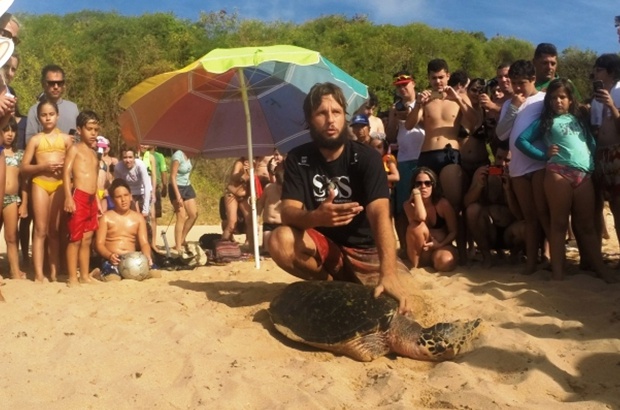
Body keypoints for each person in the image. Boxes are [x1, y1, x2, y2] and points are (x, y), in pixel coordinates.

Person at [268, 82, 410, 312]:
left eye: (336, 112)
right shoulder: (297, 158)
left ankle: (371, 278)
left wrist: (389, 272)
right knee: (278, 240)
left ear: (345, 116)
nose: (330, 120)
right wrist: (316, 217)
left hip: (367, 250)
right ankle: (333, 287)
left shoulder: (368, 158)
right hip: (327, 248)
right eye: (321, 113)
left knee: (400, 301)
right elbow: (287, 212)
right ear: (309, 119)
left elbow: (381, 215)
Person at [515, 78, 615, 282]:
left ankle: (601, 270)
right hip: (558, 173)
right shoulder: (546, 122)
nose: (558, 101)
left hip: (584, 175)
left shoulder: (579, 120)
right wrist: (543, 155)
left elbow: (591, 143)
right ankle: (558, 274)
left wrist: (593, 165)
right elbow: (521, 140)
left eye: (562, 97)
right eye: (553, 98)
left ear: (570, 100)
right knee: (559, 224)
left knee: (586, 226)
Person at [405, 59, 479, 212]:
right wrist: (419, 104)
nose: (437, 81)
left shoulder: (460, 97)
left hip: (449, 154)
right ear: (428, 78)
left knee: (454, 203)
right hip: (426, 154)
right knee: (424, 204)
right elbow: (409, 125)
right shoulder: (425, 99)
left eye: (441, 77)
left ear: (448, 76)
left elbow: (475, 121)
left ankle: (459, 236)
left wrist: (457, 99)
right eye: (433, 78)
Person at [496, 60, 548, 274]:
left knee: (545, 214)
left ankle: (548, 256)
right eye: (514, 82)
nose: (517, 87)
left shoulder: (544, 100)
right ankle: (531, 262)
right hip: (518, 167)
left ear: (533, 80)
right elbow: (501, 134)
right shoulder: (509, 104)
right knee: (529, 217)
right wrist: (514, 107)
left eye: (522, 82)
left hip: (539, 164)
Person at [21, 98, 73, 282]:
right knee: (40, 230)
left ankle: (54, 270)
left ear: (57, 116)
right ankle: (38, 274)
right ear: (38, 118)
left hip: (59, 185)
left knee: (55, 230)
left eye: (51, 114)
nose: (48, 118)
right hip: (40, 184)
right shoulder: (35, 140)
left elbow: (74, 164)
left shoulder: (67, 139)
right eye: (43, 115)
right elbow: (24, 167)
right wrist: (43, 167)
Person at [464, 141, 524, 267]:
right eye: (499, 158)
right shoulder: (483, 173)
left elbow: (520, 215)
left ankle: (515, 254)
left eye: (507, 160)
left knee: (526, 226)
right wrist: (479, 186)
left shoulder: (519, 177)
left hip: (510, 232)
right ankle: (487, 256)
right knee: (472, 210)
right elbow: (466, 203)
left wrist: (508, 191)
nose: (502, 163)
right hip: (489, 230)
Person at [386, 70, 425, 255]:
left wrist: (413, 114)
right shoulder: (396, 106)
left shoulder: (424, 102)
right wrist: (394, 116)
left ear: (413, 83)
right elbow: (390, 136)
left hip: (422, 157)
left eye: (405, 85)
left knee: (423, 204)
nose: (402, 89)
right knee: (402, 206)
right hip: (403, 159)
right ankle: (403, 246)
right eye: (399, 86)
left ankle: (422, 247)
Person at [63, 111, 102, 286]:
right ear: (79, 130)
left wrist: (98, 201)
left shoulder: (94, 154)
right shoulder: (75, 149)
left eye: (96, 129)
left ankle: (85, 275)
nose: (93, 133)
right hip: (78, 197)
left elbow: (94, 178)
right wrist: (68, 198)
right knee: (75, 239)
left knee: (87, 239)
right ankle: (72, 277)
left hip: (92, 199)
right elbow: (65, 173)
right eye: (89, 129)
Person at [95, 178, 156, 282]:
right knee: (113, 278)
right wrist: (109, 255)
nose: (123, 200)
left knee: (156, 274)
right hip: (113, 259)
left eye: (126, 195)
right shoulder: (106, 218)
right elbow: (99, 244)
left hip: (133, 260)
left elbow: (144, 243)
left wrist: (147, 257)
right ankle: (97, 273)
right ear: (113, 199)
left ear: (131, 196)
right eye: (118, 197)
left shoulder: (138, 218)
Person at [591, 53, 620, 252]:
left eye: (599, 69)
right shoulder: (595, 100)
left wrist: (612, 105)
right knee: (610, 208)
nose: (595, 73)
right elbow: (595, 129)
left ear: (610, 72)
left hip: (618, 153)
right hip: (601, 156)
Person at [404, 167, 458, 272]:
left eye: (427, 183)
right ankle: (415, 268)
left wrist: (440, 244)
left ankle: (434, 262)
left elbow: (453, 231)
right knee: (416, 226)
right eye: (418, 184)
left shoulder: (443, 204)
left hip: (441, 246)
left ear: (433, 185)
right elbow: (421, 217)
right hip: (421, 251)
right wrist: (416, 195)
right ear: (414, 186)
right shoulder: (408, 205)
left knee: (444, 262)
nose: (423, 187)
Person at [25, 64, 79, 143]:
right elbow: (29, 141)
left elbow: (81, 138)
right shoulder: (34, 110)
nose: (56, 87)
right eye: (51, 83)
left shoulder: (73, 108)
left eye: (59, 83)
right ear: (43, 84)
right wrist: (60, 140)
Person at [0, 117, 25, 279]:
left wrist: (24, 202)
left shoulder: (20, 154)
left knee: (11, 236)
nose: (10, 134)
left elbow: (24, 182)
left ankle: (14, 270)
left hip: (11, 199)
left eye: (13, 130)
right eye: (6, 130)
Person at [168, 149, 198, 256]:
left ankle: (182, 239)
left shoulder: (190, 155)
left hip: (187, 186)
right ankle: (178, 246)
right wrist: (178, 196)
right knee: (181, 216)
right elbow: (172, 177)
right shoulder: (178, 156)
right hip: (176, 187)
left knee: (193, 214)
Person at [113, 145, 151, 217]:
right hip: (130, 193)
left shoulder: (140, 165)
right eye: (125, 157)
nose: (128, 160)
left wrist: (145, 209)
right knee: (131, 217)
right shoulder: (118, 167)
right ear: (121, 158)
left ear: (134, 157)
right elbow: (118, 186)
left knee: (146, 218)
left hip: (143, 191)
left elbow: (147, 185)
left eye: (130, 157)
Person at [221, 156, 252, 244]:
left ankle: (250, 243)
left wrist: (251, 172)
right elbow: (234, 176)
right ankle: (223, 244)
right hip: (232, 194)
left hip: (245, 196)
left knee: (250, 220)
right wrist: (242, 175)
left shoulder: (255, 163)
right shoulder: (239, 163)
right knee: (232, 223)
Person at [257, 163, 283, 255]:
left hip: (282, 224)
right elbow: (260, 204)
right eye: (280, 186)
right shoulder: (269, 188)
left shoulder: (290, 190)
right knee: (267, 251)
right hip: (269, 224)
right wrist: (257, 220)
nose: (281, 189)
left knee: (280, 250)